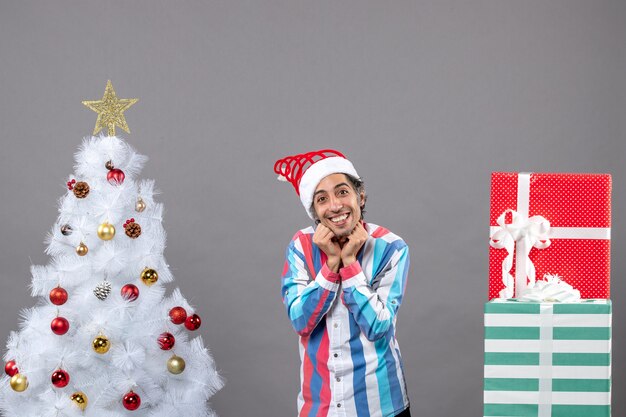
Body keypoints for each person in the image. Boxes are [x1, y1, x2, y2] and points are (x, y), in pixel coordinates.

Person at [274, 149, 411, 417]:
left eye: (342, 192)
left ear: (360, 196)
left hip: (380, 406)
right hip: (319, 408)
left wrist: (349, 264)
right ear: (314, 210)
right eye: (322, 199)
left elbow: (378, 326)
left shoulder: (391, 247)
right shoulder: (300, 246)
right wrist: (330, 266)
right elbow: (301, 321)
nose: (335, 205)